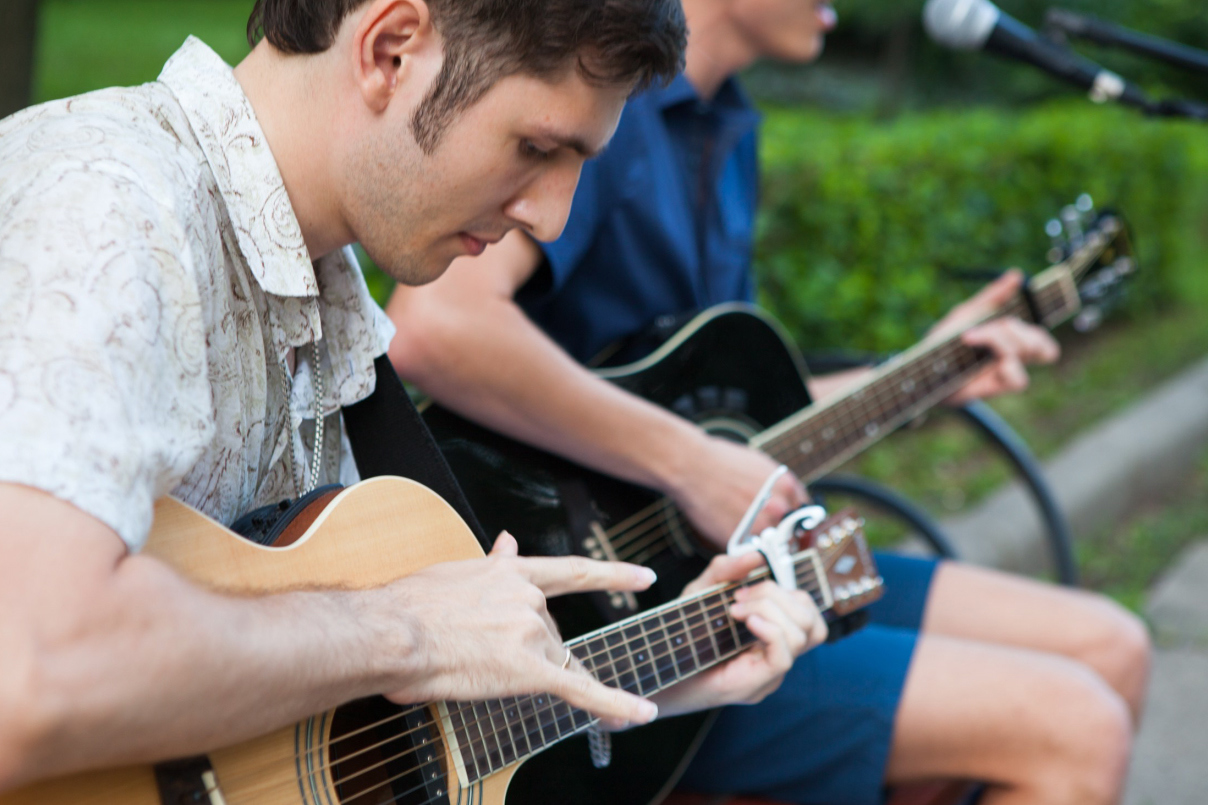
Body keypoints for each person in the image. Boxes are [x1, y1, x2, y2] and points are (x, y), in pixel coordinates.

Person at [0, 0, 832, 793]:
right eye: (538, 147)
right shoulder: (108, 209)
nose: (552, 215)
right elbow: (33, 664)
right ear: (391, 50)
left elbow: (304, 729)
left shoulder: (324, 298)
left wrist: (642, 671)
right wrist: (409, 631)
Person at [385, 0, 1153, 803]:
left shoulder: (727, 125)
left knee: (1115, 645)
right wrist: (688, 464)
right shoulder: (600, 109)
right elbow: (439, 327)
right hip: (604, 620)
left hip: (730, 576)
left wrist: (924, 372)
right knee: (1077, 722)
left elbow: (734, 426)